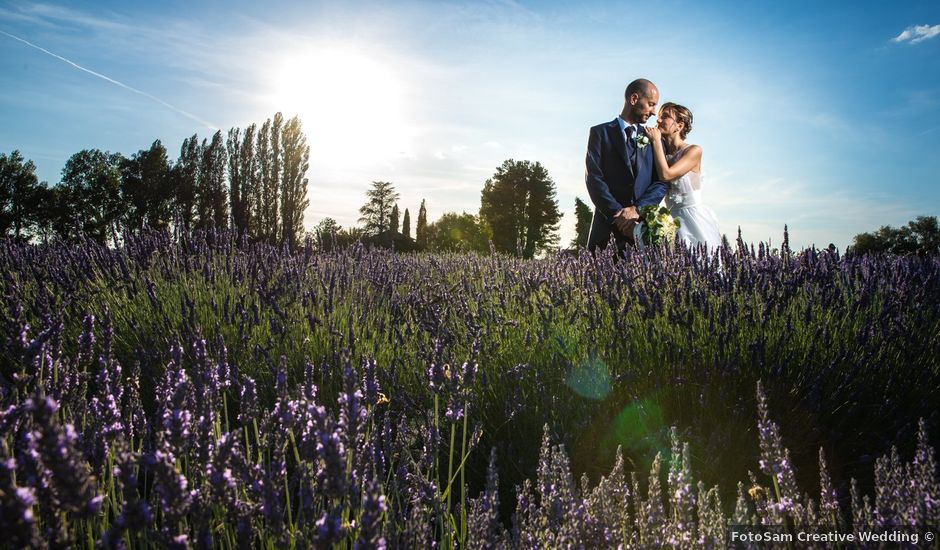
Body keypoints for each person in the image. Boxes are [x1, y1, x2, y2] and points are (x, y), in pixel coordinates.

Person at [585, 79, 670, 252]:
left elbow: (661, 182)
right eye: (651, 104)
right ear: (633, 99)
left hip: (641, 230)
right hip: (606, 228)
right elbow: (594, 178)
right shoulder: (600, 133)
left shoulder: (655, 139)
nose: (654, 112)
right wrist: (618, 215)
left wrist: (637, 210)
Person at [644, 103, 722, 251]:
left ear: (679, 126)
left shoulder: (694, 151)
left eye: (665, 117)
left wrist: (655, 141)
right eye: (659, 117)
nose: (658, 121)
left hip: (692, 219)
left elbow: (666, 174)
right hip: (669, 221)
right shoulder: (662, 154)